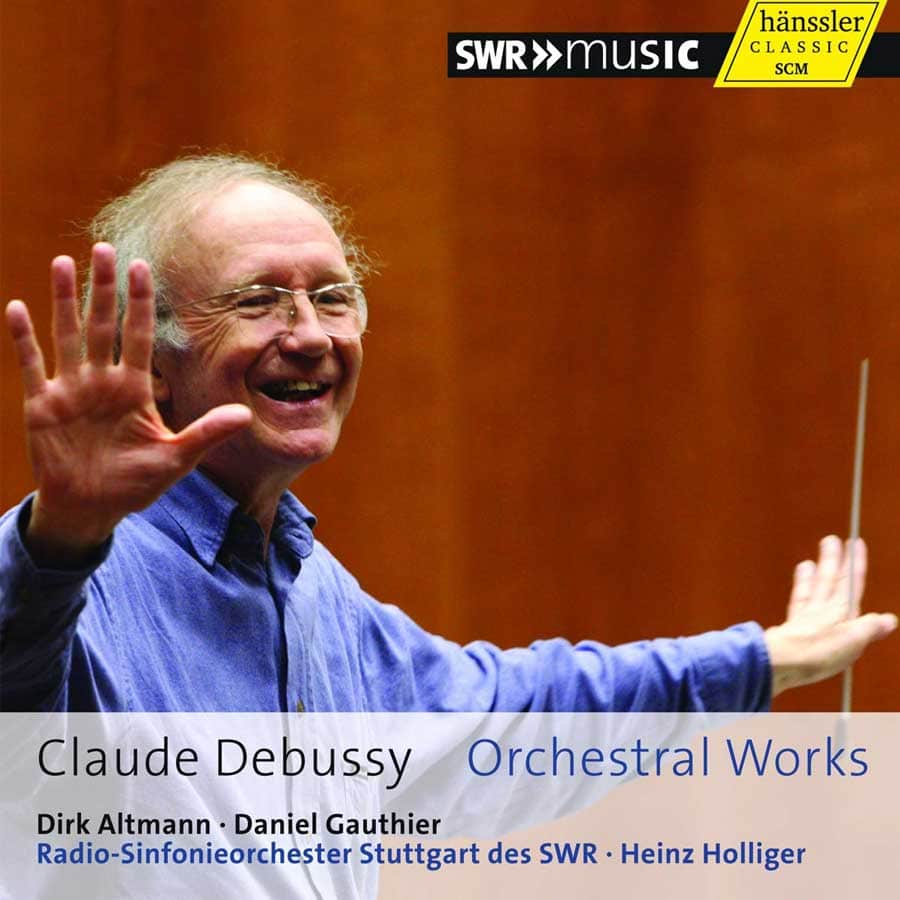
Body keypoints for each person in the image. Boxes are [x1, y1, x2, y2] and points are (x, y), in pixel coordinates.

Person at [0, 154, 895, 713]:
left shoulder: (314, 591)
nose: (310, 334)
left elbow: (512, 707)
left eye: (334, 297)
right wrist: (62, 536)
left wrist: (761, 659)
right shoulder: (71, 570)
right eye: (258, 300)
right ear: (152, 359)